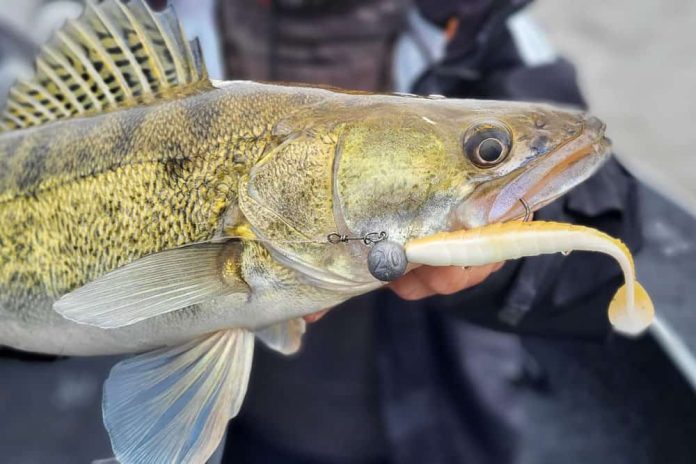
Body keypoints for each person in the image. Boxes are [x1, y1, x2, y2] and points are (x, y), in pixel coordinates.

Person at [215, 1, 641, 463]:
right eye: (487, 152)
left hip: (433, 435)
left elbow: (602, 246)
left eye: (487, 151)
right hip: (240, 432)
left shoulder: (474, 23)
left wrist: (495, 263)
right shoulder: (149, 27)